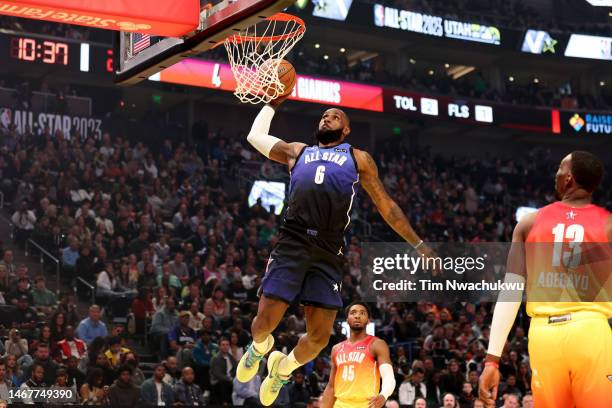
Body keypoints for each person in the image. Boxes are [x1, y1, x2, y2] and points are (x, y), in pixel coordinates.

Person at [238, 99, 432, 406]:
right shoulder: (297, 151)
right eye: (325, 116)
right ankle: (259, 348)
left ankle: (282, 370)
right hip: (293, 241)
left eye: (335, 116)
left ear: (346, 129)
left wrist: (418, 244)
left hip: (328, 250)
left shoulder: (358, 158)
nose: (327, 118)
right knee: (262, 325)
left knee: (319, 338)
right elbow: (255, 137)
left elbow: (387, 206)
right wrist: (273, 103)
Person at [479, 152, 611, 408]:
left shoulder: (529, 223)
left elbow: (511, 292)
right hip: (592, 331)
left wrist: (492, 360)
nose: (556, 174)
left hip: (545, 334)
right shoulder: (608, 225)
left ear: (569, 179)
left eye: (560, 169)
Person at [321, 302, 396, 408]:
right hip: (340, 404)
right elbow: (331, 386)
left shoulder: (377, 344)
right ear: (347, 319)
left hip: (367, 405)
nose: (357, 316)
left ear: (368, 320)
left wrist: (383, 395)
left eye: (362, 313)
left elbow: (388, 376)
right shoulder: (336, 348)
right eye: (353, 313)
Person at [210, 337, 236, 405]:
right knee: (224, 384)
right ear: (219, 346)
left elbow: (235, 369)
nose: (225, 347)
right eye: (223, 345)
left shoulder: (231, 357)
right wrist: (231, 379)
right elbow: (218, 375)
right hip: (218, 382)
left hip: (229, 380)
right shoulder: (215, 358)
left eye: (227, 345)